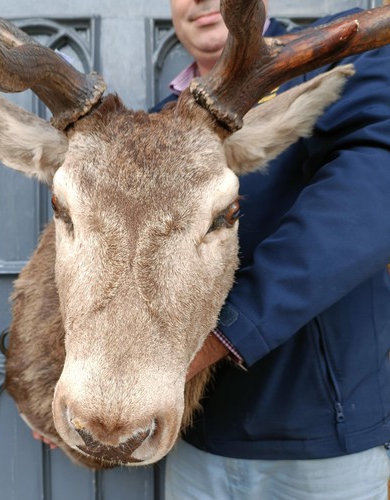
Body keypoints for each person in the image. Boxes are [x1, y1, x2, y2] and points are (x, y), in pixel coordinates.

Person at [151, 1, 390, 499]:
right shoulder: (155, 123)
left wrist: (223, 334)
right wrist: (53, 377)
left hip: (321, 444)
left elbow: (373, 192)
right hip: (194, 441)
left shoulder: (341, 55)